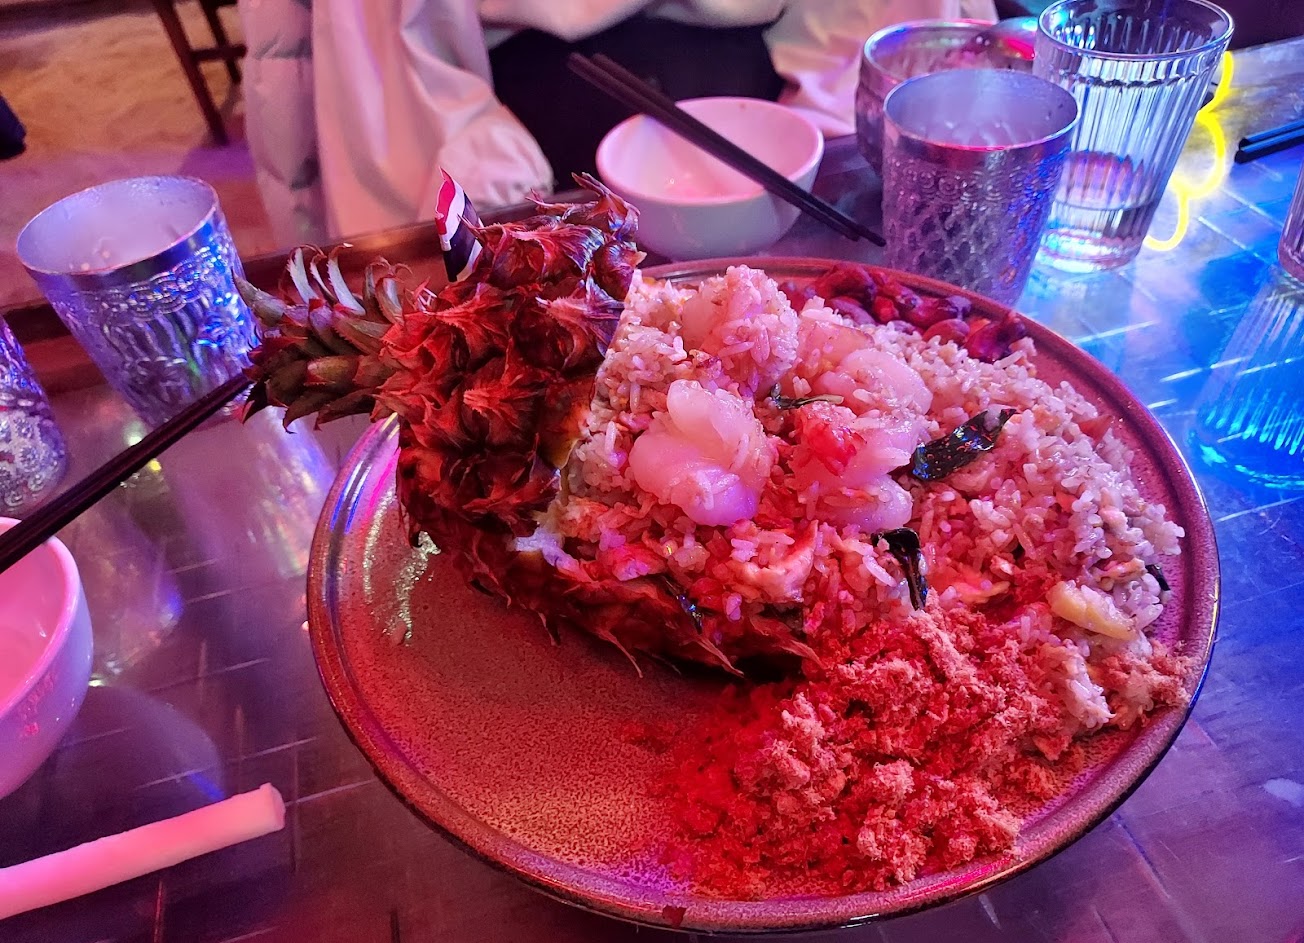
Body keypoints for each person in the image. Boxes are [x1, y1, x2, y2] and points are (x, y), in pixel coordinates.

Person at [238, 0, 996, 247]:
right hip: (507, 145)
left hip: (776, 137)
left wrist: (826, 126)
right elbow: (381, 53)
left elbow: (872, 22)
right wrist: (486, 182)